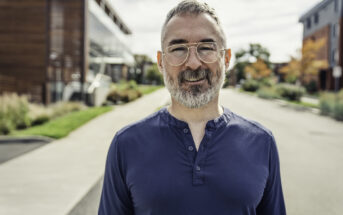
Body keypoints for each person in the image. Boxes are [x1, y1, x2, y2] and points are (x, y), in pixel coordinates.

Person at [98, 1, 286, 214]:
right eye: (178, 49)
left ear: (226, 58)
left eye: (206, 48)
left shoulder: (261, 142)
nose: (194, 63)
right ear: (161, 62)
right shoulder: (126, 145)